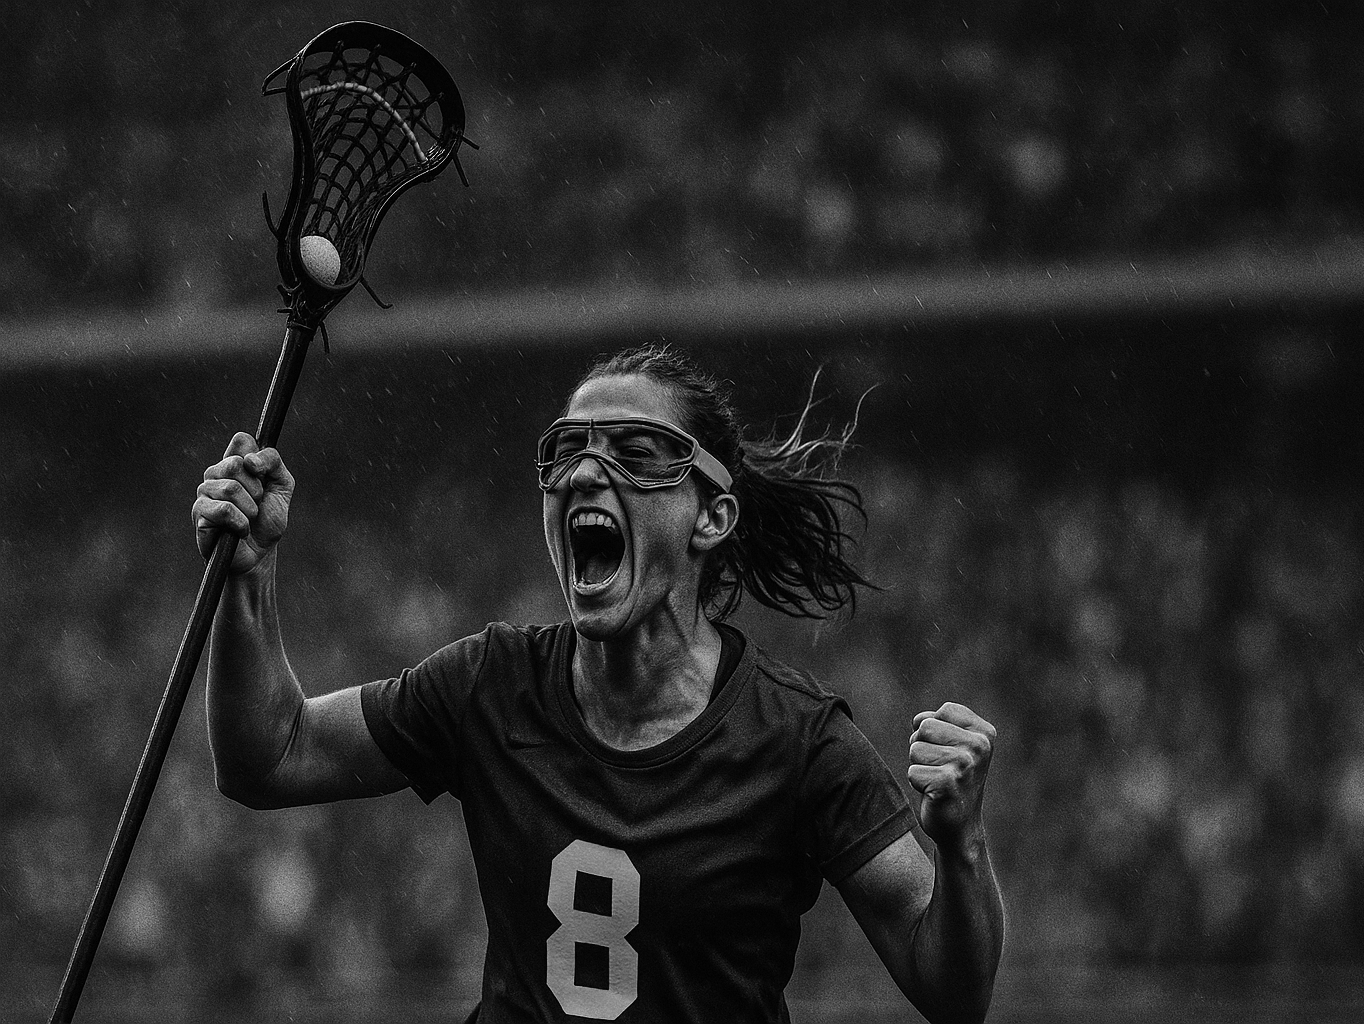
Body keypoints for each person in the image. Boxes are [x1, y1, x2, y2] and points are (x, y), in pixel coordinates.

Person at [193, 344, 1005, 1023]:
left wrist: (962, 844)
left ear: (711, 518)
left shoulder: (798, 741)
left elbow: (952, 990)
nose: (585, 473)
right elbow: (268, 755)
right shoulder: (490, 682)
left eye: (636, 454)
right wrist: (250, 576)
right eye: (566, 452)